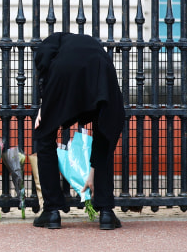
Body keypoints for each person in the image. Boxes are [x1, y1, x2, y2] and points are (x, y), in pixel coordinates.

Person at [32, 32, 125, 230]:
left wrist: (44, 103)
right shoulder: (90, 44)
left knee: (45, 134)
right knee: (105, 133)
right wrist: (93, 169)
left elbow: (44, 63)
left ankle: (51, 211)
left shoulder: (52, 42)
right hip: (101, 72)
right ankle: (106, 211)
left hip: (66, 74)